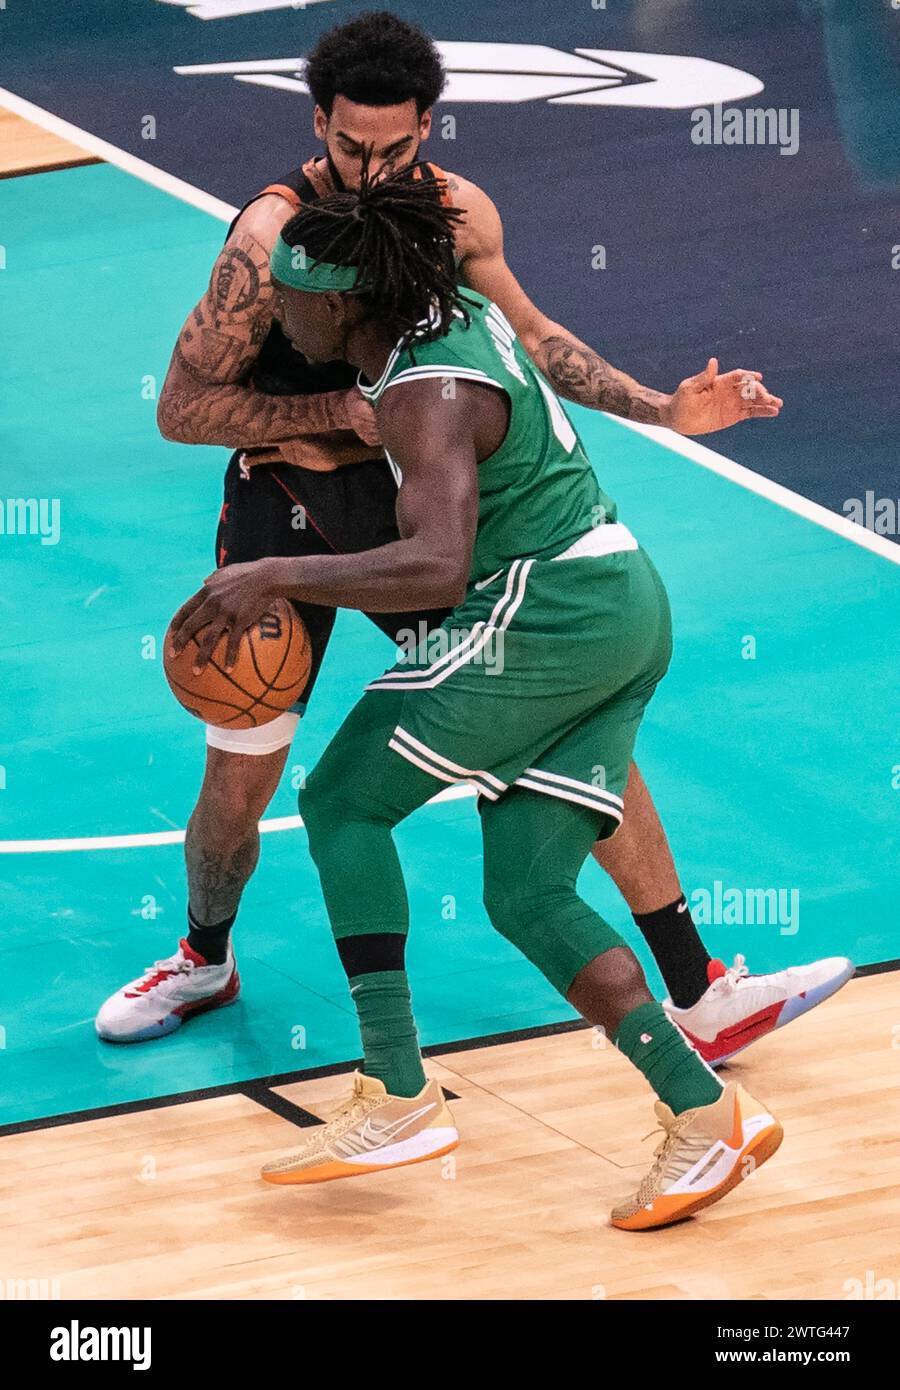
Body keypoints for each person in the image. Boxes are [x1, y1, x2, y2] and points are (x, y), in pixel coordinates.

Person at [95, 11, 852, 1057]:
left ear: (428, 131)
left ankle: (698, 988)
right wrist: (333, 417)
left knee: (565, 732)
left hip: (423, 514)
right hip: (289, 504)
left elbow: (538, 339)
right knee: (241, 764)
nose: (370, 168)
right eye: (351, 145)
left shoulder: (456, 216)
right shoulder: (274, 240)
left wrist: (666, 409)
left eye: (393, 147)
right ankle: (205, 955)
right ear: (318, 123)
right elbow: (181, 407)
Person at [170, 163, 784, 1229]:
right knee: (528, 892)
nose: (282, 309)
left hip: (547, 613)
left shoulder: (422, 386)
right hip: (618, 600)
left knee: (343, 800)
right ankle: (704, 1115)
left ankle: (397, 1086)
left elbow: (439, 567)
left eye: (295, 296)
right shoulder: (432, 313)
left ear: (343, 302)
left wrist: (271, 571)